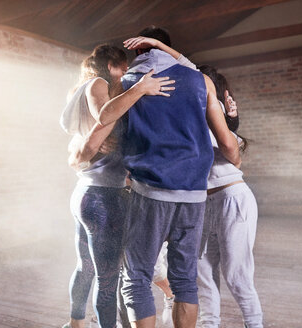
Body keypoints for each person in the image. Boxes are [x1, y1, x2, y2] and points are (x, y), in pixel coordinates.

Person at [100, 26, 241, 328]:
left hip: (151, 190)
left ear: (138, 51)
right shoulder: (199, 80)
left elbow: (106, 125)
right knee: (185, 278)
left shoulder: (127, 82)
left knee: (137, 275)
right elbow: (227, 141)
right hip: (193, 192)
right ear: (169, 48)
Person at [60, 44, 175, 328]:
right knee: (108, 278)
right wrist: (140, 89)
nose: (125, 72)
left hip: (85, 192)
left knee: (85, 267)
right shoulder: (97, 84)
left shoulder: (79, 89)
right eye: (122, 67)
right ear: (109, 64)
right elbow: (104, 116)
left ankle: (75, 325)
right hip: (103, 197)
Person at [196, 66, 263, 328]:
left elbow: (232, 154)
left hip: (231, 196)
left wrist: (232, 119)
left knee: (237, 275)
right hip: (202, 201)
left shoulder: (218, 111)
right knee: (202, 273)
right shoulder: (194, 112)